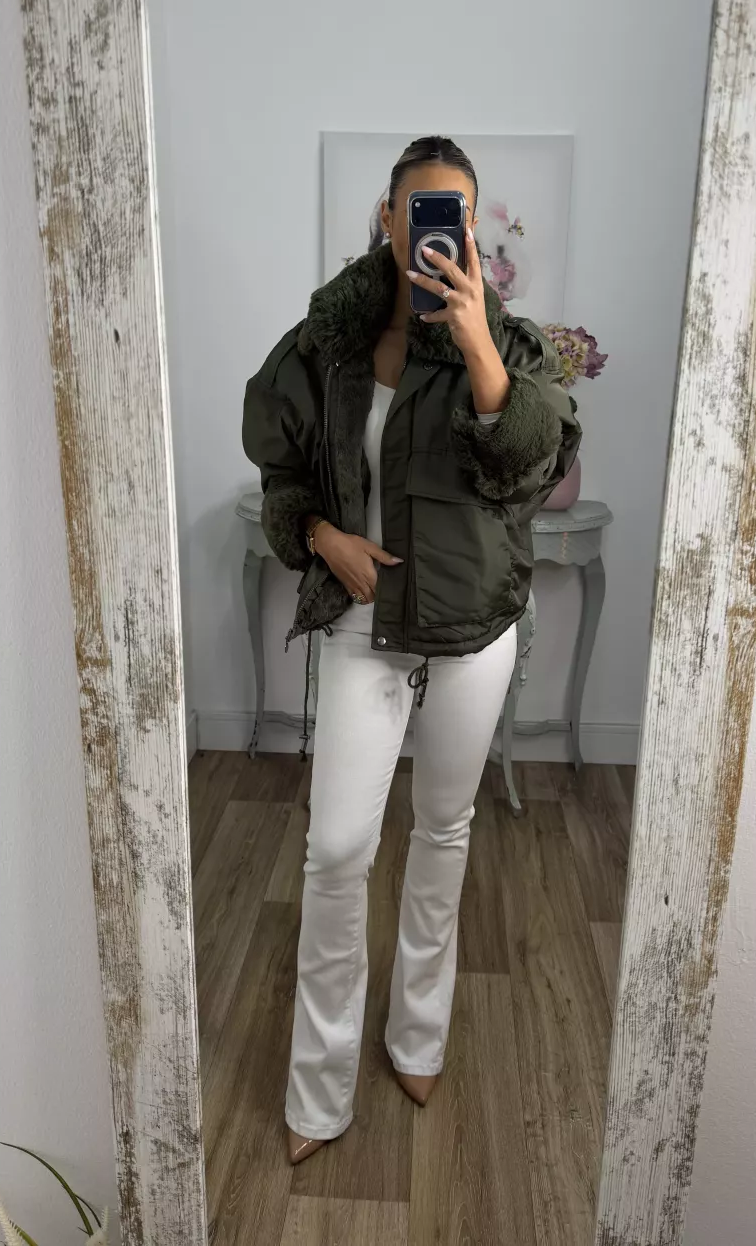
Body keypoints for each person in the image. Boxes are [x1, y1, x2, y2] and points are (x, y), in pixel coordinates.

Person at [241, 136, 581, 1163]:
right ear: (386, 218)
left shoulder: (510, 344)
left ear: (470, 227)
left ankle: (417, 1036)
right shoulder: (325, 343)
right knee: (337, 850)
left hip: (472, 630)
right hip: (362, 624)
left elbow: (532, 466)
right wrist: (319, 535)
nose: (438, 228)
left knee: (443, 831)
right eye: (420, 209)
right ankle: (317, 1091)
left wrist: (477, 344)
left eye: (457, 213)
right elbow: (281, 472)